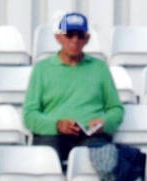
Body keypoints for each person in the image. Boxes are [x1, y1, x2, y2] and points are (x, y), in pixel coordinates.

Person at [22, 12, 123, 168]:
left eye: (80, 35)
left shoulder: (100, 68)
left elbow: (116, 109)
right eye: (69, 35)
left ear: (87, 39)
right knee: (47, 164)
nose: (75, 40)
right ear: (59, 37)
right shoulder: (42, 69)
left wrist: (104, 123)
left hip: (91, 137)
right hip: (53, 136)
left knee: (102, 162)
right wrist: (57, 125)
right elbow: (29, 115)